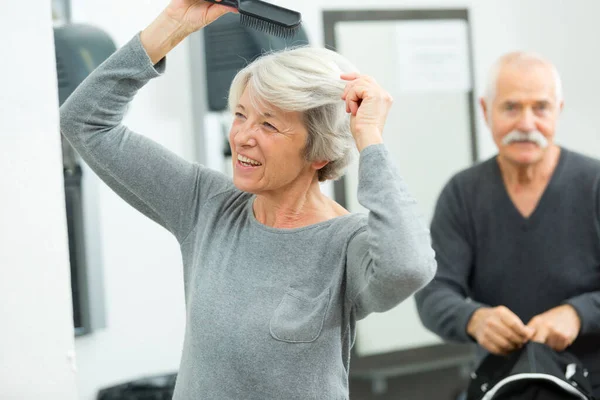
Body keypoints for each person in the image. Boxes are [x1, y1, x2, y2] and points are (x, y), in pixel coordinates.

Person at [59, 1, 437, 398]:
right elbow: (84, 121)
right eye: (240, 115)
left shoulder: (348, 244)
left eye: (269, 124)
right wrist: (172, 25)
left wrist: (370, 138)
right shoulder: (207, 206)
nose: (242, 136)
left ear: (320, 151)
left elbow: (408, 267)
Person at [415, 51, 600, 397]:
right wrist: (473, 319)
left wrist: (579, 314)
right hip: (502, 381)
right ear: (486, 111)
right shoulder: (463, 193)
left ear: (558, 111)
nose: (527, 124)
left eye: (540, 108)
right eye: (511, 108)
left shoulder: (595, 184)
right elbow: (432, 292)